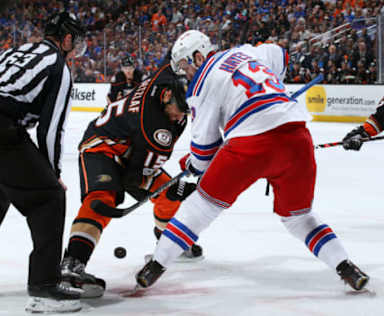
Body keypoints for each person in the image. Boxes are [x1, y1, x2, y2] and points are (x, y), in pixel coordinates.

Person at [135, 30, 369, 292]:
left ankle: (155, 265)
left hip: (249, 145)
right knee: (298, 218)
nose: (184, 73)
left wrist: (192, 165)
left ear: (198, 56)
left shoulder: (200, 85)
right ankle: (346, 267)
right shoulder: (246, 51)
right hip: (297, 137)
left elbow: (203, 155)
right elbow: (281, 55)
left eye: (184, 65)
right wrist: (271, 89)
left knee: (201, 207)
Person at [0, 12, 86, 313]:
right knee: (49, 198)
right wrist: (52, 174)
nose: (77, 50)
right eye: (77, 43)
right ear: (67, 39)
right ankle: (44, 289)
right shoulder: (58, 67)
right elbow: (52, 129)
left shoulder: (16, 50)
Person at [60, 55, 200, 298]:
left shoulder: (163, 80)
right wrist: (177, 187)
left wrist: (172, 190)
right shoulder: (156, 128)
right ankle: (72, 264)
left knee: (169, 197)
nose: (180, 117)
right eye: (179, 110)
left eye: (185, 112)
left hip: (132, 149)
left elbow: (170, 61)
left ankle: (164, 239)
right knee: (103, 198)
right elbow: (133, 179)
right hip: (101, 146)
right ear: (167, 97)